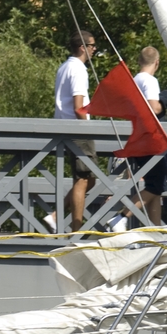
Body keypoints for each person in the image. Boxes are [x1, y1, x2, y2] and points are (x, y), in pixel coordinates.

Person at [52, 30, 98, 232]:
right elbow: (79, 104)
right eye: (92, 46)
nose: (94, 50)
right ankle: (76, 229)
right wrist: (86, 126)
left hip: (64, 128)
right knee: (84, 178)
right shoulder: (79, 69)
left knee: (90, 178)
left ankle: (55, 215)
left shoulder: (64, 67)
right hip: (78, 129)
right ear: (83, 47)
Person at [125, 46, 167, 226]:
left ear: (139, 61)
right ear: (157, 62)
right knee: (156, 185)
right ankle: (121, 216)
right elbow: (153, 108)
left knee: (154, 185)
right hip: (148, 138)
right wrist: (164, 103)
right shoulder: (149, 81)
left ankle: (156, 229)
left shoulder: (133, 80)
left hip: (135, 136)